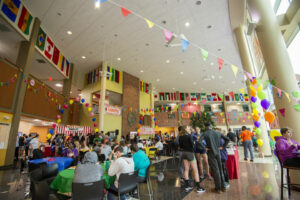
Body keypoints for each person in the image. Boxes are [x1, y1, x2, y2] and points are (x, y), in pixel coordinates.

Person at [200, 123, 229, 193]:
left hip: (211, 152)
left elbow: (199, 142)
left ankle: (218, 188)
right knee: (220, 169)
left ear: (206, 127)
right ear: (211, 126)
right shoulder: (218, 133)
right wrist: (223, 147)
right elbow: (227, 139)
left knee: (215, 170)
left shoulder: (205, 133)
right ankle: (223, 186)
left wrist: (205, 148)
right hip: (218, 152)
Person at [179, 125, 205, 193]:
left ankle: (187, 186)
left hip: (184, 153)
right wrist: (193, 143)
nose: (189, 129)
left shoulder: (180, 137)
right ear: (185, 129)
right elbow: (192, 146)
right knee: (195, 170)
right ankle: (199, 187)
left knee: (186, 169)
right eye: (188, 128)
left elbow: (181, 146)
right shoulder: (189, 136)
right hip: (190, 153)